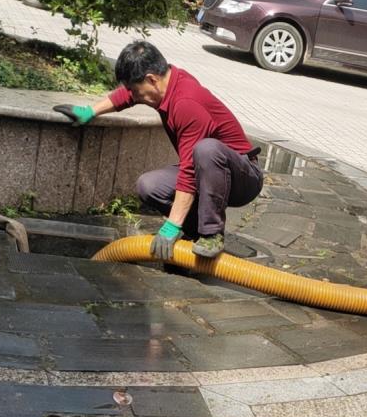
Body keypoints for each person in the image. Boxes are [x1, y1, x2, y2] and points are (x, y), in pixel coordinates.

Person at [53, 41, 263, 260]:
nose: (135, 96)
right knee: (150, 186)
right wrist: (90, 111)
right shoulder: (168, 80)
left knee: (206, 149)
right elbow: (127, 96)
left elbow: (189, 172)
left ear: (152, 79)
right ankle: (193, 233)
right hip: (208, 171)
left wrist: (171, 225)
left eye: (137, 90)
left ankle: (211, 234)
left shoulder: (186, 102)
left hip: (243, 176)